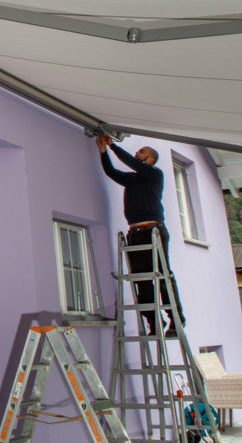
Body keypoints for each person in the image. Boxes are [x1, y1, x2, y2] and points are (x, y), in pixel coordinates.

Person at [96, 133, 186, 336]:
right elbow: (111, 172)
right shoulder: (133, 180)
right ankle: (154, 322)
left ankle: (176, 318)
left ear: (150, 159)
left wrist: (113, 147)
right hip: (135, 233)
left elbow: (130, 162)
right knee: (141, 279)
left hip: (153, 231)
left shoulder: (154, 174)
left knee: (162, 274)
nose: (138, 152)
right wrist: (103, 151)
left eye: (142, 151)